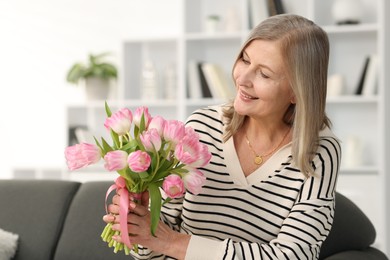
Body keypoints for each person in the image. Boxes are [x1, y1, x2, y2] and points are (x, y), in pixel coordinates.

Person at [103, 13, 341, 259]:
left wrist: (172, 242)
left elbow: (293, 256)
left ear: (296, 91)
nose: (243, 79)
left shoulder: (320, 151)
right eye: (245, 60)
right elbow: (155, 247)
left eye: (264, 74)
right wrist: (138, 223)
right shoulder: (201, 127)